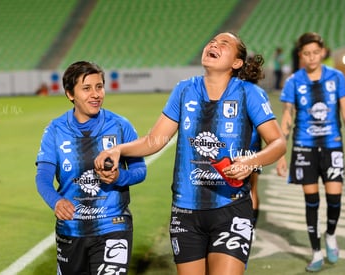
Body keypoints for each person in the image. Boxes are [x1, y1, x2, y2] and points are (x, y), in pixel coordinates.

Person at [95, 32, 286, 275]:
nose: (214, 45)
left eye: (224, 44)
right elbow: (155, 140)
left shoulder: (250, 94)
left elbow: (278, 142)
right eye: (212, 42)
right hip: (186, 211)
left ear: (237, 63)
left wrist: (252, 161)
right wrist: (118, 149)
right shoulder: (184, 90)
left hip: (231, 207)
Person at [35, 61, 147, 274]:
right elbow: (43, 177)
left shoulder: (121, 125)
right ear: (70, 94)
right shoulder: (55, 130)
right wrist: (56, 201)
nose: (96, 94)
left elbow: (140, 170)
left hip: (113, 224)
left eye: (99, 86)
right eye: (86, 88)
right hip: (71, 228)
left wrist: (118, 177)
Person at [276, 32, 345, 272]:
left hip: (332, 146)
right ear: (301, 56)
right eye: (306, 53)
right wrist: (281, 152)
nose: (311, 57)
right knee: (311, 201)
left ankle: (330, 234)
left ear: (322, 52)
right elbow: (287, 117)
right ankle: (315, 252)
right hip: (304, 148)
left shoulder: (337, 77)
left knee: (334, 199)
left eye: (315, 52)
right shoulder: (293, 81)